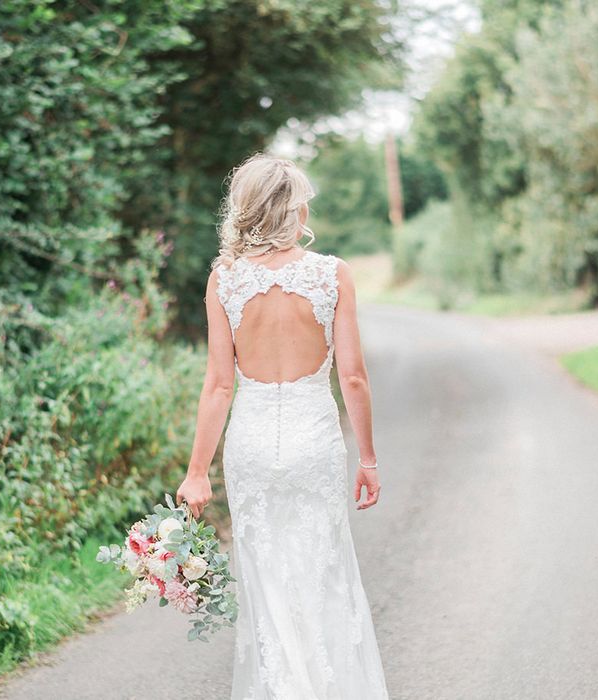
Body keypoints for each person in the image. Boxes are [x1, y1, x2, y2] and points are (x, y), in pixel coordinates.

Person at [176, 152, 389, 698]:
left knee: (267, 586)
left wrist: (197, 471)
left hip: (249, 448)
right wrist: (367, 459)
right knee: (322, 577)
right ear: (290, 209)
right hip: (313, 444)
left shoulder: (224, 280)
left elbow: (219, 385)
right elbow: (354, 377)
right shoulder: (331, 274)